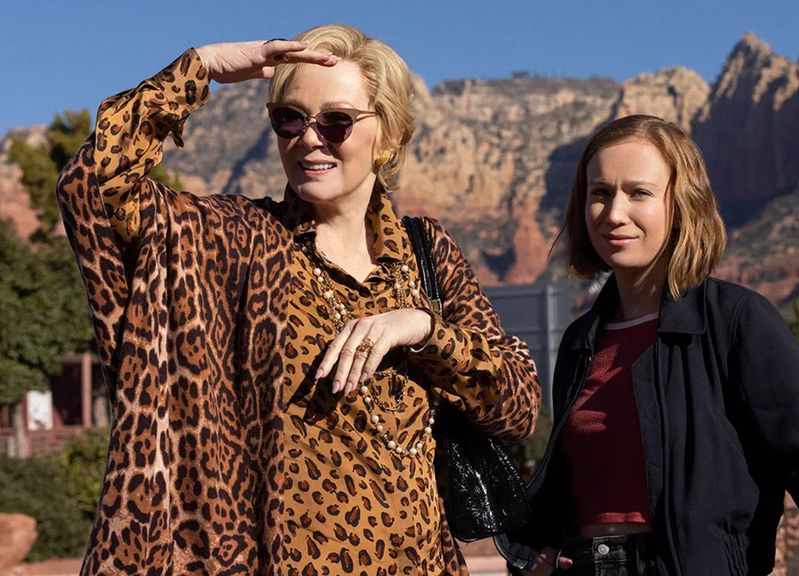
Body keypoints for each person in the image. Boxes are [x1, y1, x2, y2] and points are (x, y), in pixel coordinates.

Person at [56, 24, 540, 575]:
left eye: (336, 122)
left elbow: (518, 405)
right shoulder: (236, 238)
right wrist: (199, 68)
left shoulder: (427, 252)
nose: (309, 139)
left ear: (387, 136)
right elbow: (91, 187)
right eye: (290, 118)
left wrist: (423, 331)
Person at [496, 115, 799, 575]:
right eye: (601, 193)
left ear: (681, 205)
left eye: (639, 193)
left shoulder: (736, 322)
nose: (614, 213)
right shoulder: (581, 340)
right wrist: (538, 553)